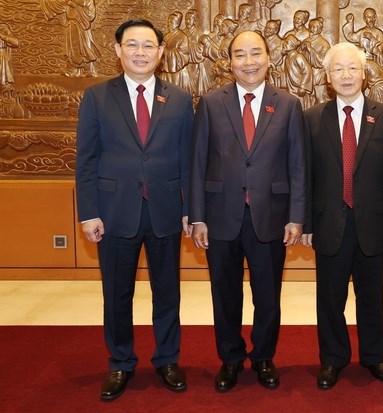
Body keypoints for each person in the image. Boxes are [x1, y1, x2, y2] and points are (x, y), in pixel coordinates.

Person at [75, 18, 193, 401]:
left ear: (161, 52)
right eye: (132, 44)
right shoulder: (96, 96)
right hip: (113, 213)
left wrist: (191, 209)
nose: (140, 52)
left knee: (167, 293)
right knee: (117, 293)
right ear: (118, 50)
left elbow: (188, 159)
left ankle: (167, 359)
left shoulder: (179, 99)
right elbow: (86, 160)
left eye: (148, 45)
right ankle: (121, 362)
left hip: (165, 211)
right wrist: (88, 212)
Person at [189, 30, 305, 392]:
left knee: (267, 294)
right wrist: (197, 216)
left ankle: (264, 357)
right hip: (220, 215)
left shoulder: (288, 103)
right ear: (230, 62)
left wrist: (296, 216)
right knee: (224, 294)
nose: (249, 61)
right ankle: (230, 358)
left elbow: (298, 164)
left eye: (256, 53)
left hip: (271, 216)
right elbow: (197, 163)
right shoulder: (210, 103)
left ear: (269, 58)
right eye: (240, 55)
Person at [302, 42, 383, 389]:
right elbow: (305, 175)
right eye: (338, 70)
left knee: (372, 297)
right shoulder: (312, 118)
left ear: (364, 74)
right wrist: (305, 223)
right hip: (328, 224)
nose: (346, 76)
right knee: (329, 299)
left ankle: (375, 357)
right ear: (328, 78)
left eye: (352, 68)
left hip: (373, 226)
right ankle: (332, 359)